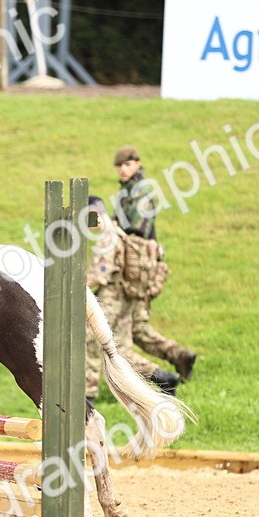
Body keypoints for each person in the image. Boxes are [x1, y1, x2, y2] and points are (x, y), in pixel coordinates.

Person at [113, 145, 198, 381]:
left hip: (139, 266)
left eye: (127, 164)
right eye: (119, 165)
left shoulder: (141, 192)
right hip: (133, 264)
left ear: (138, 164)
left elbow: (136, 230)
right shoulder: (126, 192)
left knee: (135, 327)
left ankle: (161, 375)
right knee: (138, 328)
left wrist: (113, 230)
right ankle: (179, 356)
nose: (122, 169)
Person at [85, 196, 180, 399]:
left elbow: (101, 274)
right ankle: (162, 377)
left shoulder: (107, 238)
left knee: (90, 338)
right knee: (120, 349)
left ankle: (88, 394)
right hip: (125, 298)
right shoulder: (119, 232)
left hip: (112, 300)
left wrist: (77, 284)